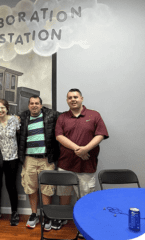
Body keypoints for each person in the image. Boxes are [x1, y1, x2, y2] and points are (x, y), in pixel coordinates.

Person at [55, 88, 109, 237]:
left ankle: (84, 223)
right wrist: (79, 149)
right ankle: (63, 219)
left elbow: (101, 135)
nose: (73, 99)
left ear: (82, 98)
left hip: (86, 165)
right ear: (67, 101)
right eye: (70, 97)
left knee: (85, 196)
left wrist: (86, 149)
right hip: (65, 164)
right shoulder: (62, 117)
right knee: (64, 194)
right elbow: (59, 136)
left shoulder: (94, 115)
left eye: (75, 97)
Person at [18, 95, 61, 231]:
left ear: (41, 105)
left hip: (46, 159)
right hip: (29, 158)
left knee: (47, 189)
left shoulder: (51, 115)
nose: (34, 105)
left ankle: (47, 215)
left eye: (37, 103)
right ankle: (34, 214)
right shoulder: (23, 116)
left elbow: (67, 117)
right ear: (29, 105)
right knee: (31, 187)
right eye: (32, 103)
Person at [0, 99, 20, 226]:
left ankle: (14, 212)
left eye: (2, 108)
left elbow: (19, 134)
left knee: (11, 186)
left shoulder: (15, 120)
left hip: (12, 158)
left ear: (7, 108)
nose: (0, 110)